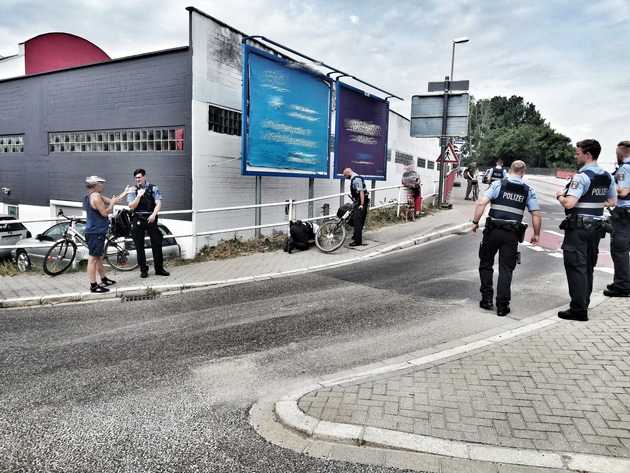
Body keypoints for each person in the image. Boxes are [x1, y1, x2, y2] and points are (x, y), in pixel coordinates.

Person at [556, 139, 616, 321]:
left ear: (587, 155)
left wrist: (559, 195)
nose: (576, 156)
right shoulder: (608, 176)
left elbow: (569, 202)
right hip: (596, 227)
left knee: (575, 265)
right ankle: (584, 302)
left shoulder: (581, 177)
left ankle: (578, 309)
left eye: (578, 153)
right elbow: (612, 202)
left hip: (579, 227)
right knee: (588, 265)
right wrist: (595, 205)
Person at [472, 160, 541, 316]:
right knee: (506, 269)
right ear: (523, 172)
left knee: (486, 263)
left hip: (492, 231)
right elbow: (536, 213)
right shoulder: (528, 190)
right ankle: (502, 306)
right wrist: (536, 234)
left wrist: (475, 222)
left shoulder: (498, 185)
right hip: (511, 235)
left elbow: (481, 203)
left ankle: (487, 300)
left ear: (510, 170)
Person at [83, 176, 130, 293]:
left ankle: (103, 279)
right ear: (95, 185)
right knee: (93, 259)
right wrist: (112, 205)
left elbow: (114, 200)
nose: (103, 185)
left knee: (98, 257)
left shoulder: (89, 195)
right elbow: (104, 213)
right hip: (96, 232)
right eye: (101, 183)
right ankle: (93, 286)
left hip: (94, 231)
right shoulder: (96, 197)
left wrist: (125, 192)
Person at [127, 168, 170, 278]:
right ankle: (143, 270)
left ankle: (159, 268)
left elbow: (158, 202)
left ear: (144, 177)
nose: (138, 179)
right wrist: (138, 196)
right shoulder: (132, 190)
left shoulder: (153, 188)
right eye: (136, 178)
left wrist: (154, 214)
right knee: (139, 245)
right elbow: (131, 206)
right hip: (137, 218)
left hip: (151, 217)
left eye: (139, 177)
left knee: (156, 243)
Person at [605, 140, 630, 297]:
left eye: (617, 153)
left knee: (619, 250)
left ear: (622, 152)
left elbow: (623, 192)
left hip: (624, 213)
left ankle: (622, 286)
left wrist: (610, 186)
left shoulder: (624, 168)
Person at [343, 167, 369, 246]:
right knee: (356, 219)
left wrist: (361, 204)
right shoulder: (355, 178)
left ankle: (357, 241)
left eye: (345, 176)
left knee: (357, 221)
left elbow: (361, 192)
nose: (345, 177)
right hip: (359, 201)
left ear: (348, 173)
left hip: (360, 202)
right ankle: (356, 236)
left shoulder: (356, 179)